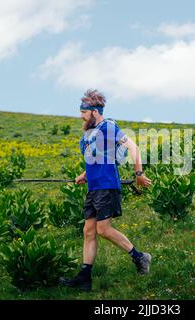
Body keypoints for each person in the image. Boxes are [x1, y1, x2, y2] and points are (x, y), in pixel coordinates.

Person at [58, 89, 153, 292]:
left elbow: (133, 147)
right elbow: (97, 157)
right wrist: (85, 174)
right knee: (88, 231)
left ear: (94, 111)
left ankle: (140, 257)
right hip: (94, 188)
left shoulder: (108, 126)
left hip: (107, 187)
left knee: (103, 230)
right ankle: (84, 278)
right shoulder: (91, 134)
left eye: (83, 112)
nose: (81, 116)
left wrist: (139, 174)